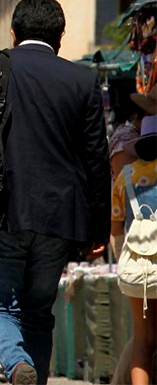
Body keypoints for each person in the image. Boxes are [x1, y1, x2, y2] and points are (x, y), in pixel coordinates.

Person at [0, 0, 111, 385]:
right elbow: (96, 160)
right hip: (59, 218)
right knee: (39, 312)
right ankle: (31, 376)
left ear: (14, 32)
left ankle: (17, 363)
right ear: (61, 36)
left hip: (0, 213)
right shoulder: (82, 80)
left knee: (0, 308)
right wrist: (97, 229)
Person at [112, 115, 157, 385]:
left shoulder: (124, 178)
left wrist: (122, 260)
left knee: (143, 338)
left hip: (139, 266)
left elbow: (116, 228)